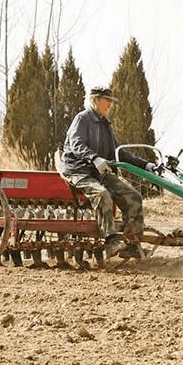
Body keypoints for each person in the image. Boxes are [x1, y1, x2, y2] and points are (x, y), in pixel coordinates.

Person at [61, 86, 157, 259]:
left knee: (133, 197)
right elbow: (76, 145)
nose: (110, 105)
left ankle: (132, 244)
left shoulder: (106, 125)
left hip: (99, 172)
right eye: (107, 101)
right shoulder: (82, 119)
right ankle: (111, 242)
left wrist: (146, 165)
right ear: (95, 100)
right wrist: (94, 158)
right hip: (78, 171)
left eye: (111, 102)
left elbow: (119, 153)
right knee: (102, 194)